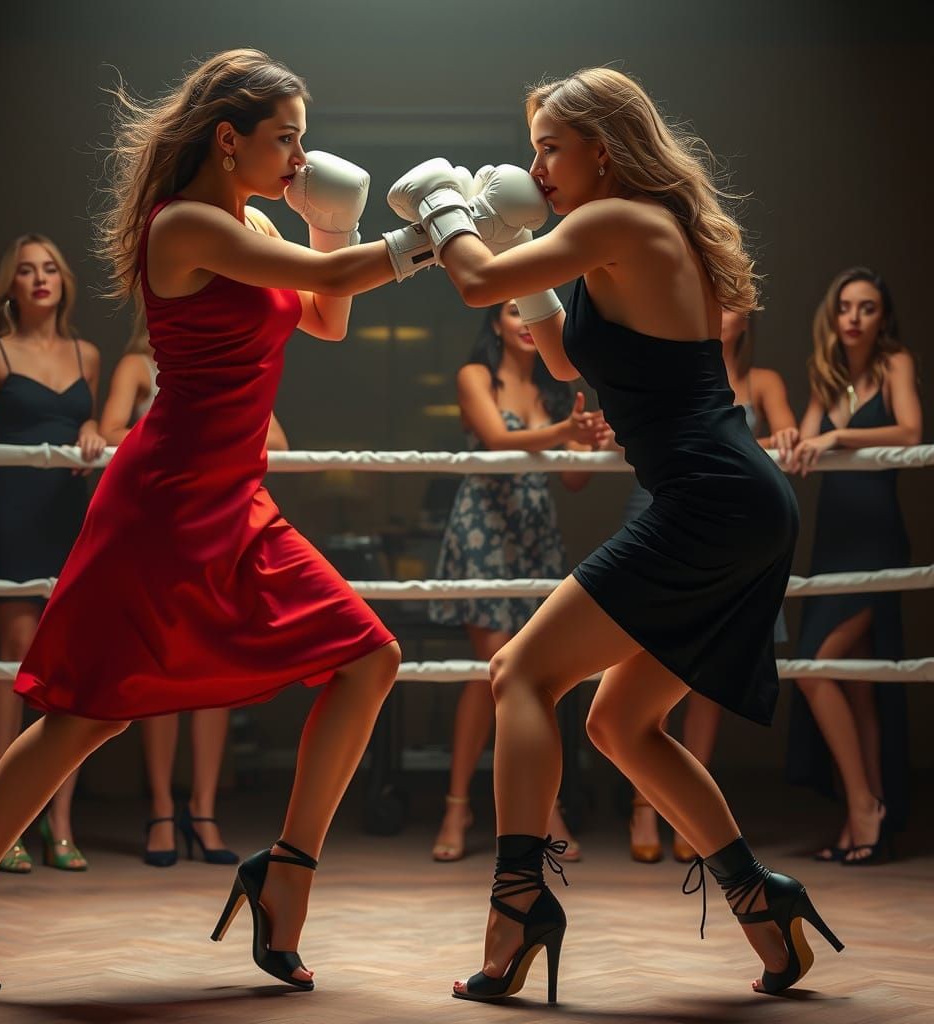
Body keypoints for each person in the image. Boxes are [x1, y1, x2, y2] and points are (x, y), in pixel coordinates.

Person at [0, 46, 430, 994]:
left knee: (369, 659)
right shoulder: (184, 225)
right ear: (229, 140)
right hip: (164, 505)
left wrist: (332, 221)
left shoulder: (258, 216)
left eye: (305, 141)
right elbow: (351, 281)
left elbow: (325, 316)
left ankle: (286, 874)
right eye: (287, 140)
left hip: (241, 503)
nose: (300, 159)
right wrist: (418, 238)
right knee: (84, 719)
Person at [387, 66, 840, 1003]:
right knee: (620, 722)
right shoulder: (603, 242)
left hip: (708, 500)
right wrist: (515, 237)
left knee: (520, 672)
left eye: (552, 145)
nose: (537, 164)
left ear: (605, 146)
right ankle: (767, 906)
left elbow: (474, 284)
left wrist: (439, 200)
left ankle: (517, 909)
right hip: (727, 501)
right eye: (535, 147)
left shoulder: (622, 221)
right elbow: (559, 356)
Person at [99, 308, 290, 866]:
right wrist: (184, 432)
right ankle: (161, 809)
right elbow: (112, 430)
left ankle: (204, 810)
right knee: (158, 671)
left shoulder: (235, 363)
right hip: (158, 523)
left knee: (216, 670)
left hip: (221, 524)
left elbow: (276, 434)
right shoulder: (138, 364)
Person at [626, 308, 799, 863]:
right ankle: (644, 807)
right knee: (645, 656)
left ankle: (689, 811)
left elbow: (789, 435)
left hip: (732, 521)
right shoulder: (675, 362)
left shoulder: (762, 381)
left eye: (730, 303)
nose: (720, 312)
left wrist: (789, 435)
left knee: (711, 664)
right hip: (665, 506)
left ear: (748, 315)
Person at [429, 300, 595, 862]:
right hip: (484, 529)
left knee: (532, 674)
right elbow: (498, 441)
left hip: (534, 532)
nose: (525, 321)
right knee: (491, 669)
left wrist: (587, 440)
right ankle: (457, 805)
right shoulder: (476, 376)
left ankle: (546, 809)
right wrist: (561, 432)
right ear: (494, 322)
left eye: (534, 312)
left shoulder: (552, 395)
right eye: (512, 310)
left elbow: (572, 480)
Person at [0, 234, 107, 873]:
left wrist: (90, 428)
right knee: (11, 663)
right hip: (14, 514)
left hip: (72, 518)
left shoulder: (88, 353)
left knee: (70, 671)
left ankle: (62, 823)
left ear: (63, 281)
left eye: (50, 267)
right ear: (11, 286)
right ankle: (6, 827)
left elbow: (95, 428)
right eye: (26, 269)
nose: (40, 278)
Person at [787, 267, 921, 865]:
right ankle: (863, 814)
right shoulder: (827, 377)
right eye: (846, 306)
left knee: (816, 668)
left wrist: (838, 440)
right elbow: (804, 445)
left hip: (876, 537)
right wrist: (796, 438)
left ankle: (867, 806)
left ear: (882, 317)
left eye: (867, 307)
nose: (854, 317)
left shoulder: (896, 364)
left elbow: (912, 430)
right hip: (832, 537)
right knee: (858, 686)